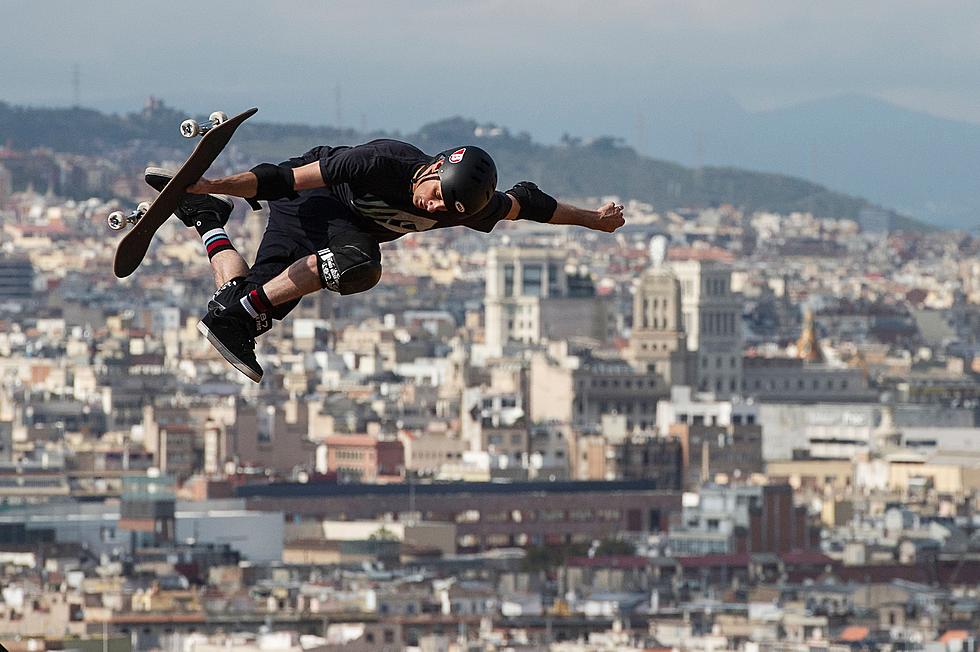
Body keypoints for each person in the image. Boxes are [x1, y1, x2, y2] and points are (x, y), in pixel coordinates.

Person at [147, 139, 625, 382]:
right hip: (309, 203)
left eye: (449, 209)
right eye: (438, 196)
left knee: (239, 300)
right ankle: (240, 301)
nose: (435, 208)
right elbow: (281, 179)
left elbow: (533, 205)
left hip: (336, 236)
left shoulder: (470, 206)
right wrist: (215, 182)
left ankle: (207, 222)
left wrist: (594, 221)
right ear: (435, 167)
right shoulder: (379, 162)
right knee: (359, 262)